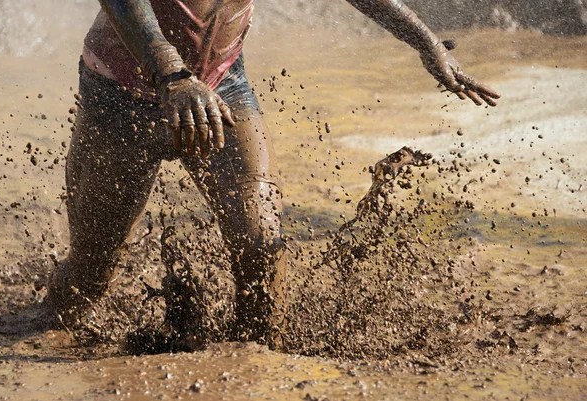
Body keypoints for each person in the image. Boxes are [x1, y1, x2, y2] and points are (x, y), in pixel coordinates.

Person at [46, 0, 500, 349]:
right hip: (120, 92)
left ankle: (259, 360)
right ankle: (28, 329)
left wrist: (426, 42)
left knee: (261, 248)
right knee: (88, 279)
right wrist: (171, 74)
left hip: (221, 87)